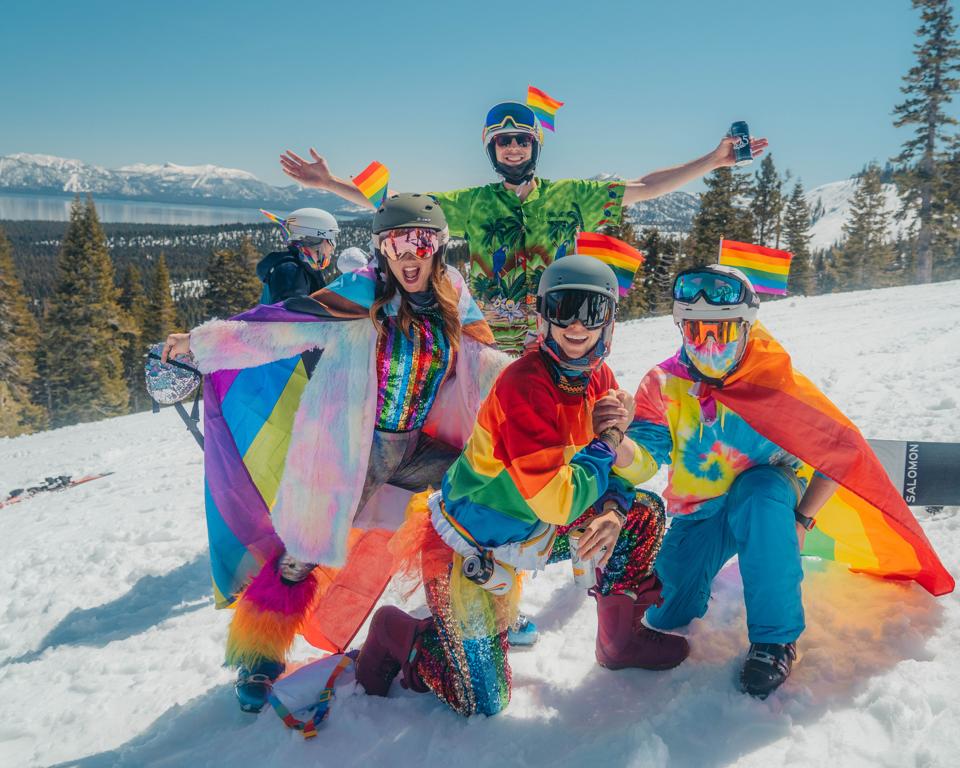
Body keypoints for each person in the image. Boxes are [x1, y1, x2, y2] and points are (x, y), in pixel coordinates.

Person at [162, 194, 509, 712]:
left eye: (422, 241)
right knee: (301, 551)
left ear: (439, 246)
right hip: (352, 449)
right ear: (380, 248)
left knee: (482, 503)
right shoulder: (362, 291)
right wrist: (201, 342)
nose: (409, 254)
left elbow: (486, 357)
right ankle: (258, 656)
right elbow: (280, 326)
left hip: (420, 446)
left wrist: (543, 387)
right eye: (396, 242)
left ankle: (486, 615)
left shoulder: (452, 292)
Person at [353, 255, 689, 717]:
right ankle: (402, 634)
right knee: (484, 702)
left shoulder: (598, 378)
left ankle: (621, 641)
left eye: (591, 311)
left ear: (609, 322)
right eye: (563, 308)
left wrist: (613, 505)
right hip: (472, 547)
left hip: (533, 529)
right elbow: (559, 502)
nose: (576, 325)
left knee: (641, 513)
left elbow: (636, 469)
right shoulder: (524, 386)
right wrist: (609, 440)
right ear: (544, 316)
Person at [625, 264, 954, 698]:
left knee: (759, 493)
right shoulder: (663, 382)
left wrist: (803, 519)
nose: (708, 343)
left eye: (722, 330)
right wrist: (616, 444)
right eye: (695, 330)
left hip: (767, 496)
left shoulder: (771, 379)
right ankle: (708, 572)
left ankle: (775, 639)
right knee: (666, 612)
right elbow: (646, 455)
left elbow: (841, 451)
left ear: (746, 327)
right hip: (700, 512)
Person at [280, 102, 768, 354]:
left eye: (521, 139)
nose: (513, 148)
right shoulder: (472, 204)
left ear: (535, 146)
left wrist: (713, 160)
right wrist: (330, 184)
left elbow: (646, 187)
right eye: (503, 141)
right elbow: (400, 206)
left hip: (558, 335)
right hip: (486, 341)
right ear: (491, 150)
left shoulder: (571, 195)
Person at [256, 207, 339, 303]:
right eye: (331, 240)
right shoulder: (290, 271)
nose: (332, 247)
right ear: (315, 239)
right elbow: (289, 310)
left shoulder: (301, 267)